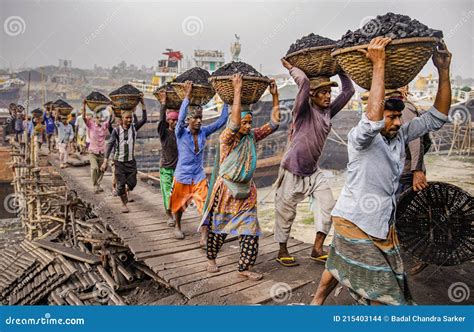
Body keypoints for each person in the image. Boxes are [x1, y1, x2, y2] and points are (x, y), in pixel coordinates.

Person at [312, 37, 452, 305]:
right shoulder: (361, 138)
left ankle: (316, 302)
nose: (399, 122)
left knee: (339, 260)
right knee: (388, 293)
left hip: (379, 221)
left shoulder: (400, 134)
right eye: (393, 117)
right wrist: (378, 66)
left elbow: (437, 116)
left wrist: (443, 70)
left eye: (400, 117)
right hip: (354, 219)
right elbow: (372, 119)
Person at [274, 58, 355, 266]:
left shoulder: (328, 112)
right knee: (285, 211)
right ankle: (282, 250)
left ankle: (317, 248)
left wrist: (341, 69)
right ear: (312, 95)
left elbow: (348, 92)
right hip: (292, 169)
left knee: (327, 205)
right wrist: (292, 68)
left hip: (313, 172)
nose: (328, 96)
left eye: (329, 92)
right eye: (324, 92)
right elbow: (304, 83)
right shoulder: (302, 112)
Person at [202, 73, 280, 280]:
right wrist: (237, 90)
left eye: (249, 122)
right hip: (226, 190)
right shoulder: (226, 138)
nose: (247, 126)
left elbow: (274, 124)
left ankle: (244, 268)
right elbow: (234, 124)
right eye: (244, 122)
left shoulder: (252, 136)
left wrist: (275, 96)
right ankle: (211, 258)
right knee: (219, 228)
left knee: (250, 231)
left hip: (247, 191)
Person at [170, 81, 228, 241]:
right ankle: (177, 226)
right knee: (178, 205)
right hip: (182, 175)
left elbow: (221, 121)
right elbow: (180, 119)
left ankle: (204, 235)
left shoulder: (204, 132)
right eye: (195, 118)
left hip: (198, 175)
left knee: (205, 204)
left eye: (200, 118)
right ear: (189, 119)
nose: (199, 121)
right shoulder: (180, 132)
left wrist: (226, 100)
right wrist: (187, 96)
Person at [102, 98, 147, 213]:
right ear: (122, 118)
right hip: (119, 162)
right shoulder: (116, 131)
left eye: (130, 117)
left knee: (132, 184)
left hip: (131, 162)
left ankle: (125, 190)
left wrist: (142, 104)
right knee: (121, 184)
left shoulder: (134, 128)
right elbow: (110, 144)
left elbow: (144, 119)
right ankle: (124, 204)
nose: (129, 119)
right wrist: (105, 160)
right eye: (127, 117)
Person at [156, 90, 179, 226]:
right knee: (167, 193)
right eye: (172, 120)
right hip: (165, 168)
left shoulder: (180, 133)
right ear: (168, 120)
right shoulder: (164, 133)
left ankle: (176, 215)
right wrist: (164, 103)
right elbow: (160, 120)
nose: (175, 122)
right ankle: (169, 215)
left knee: (176, 193)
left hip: (177, 169)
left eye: (176, 120)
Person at [81, 101, 114, 194]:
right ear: (95, 118)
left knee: (103, 169)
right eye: (97, 117)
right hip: (92, 152)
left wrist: (109, 107)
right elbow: (83, 117)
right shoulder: (91, 125)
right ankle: (94, 185)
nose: (99, 119)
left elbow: (111, 118)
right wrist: (84, 105)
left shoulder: (105, 125)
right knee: (95, 168)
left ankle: (98, 184)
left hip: (102, 152)